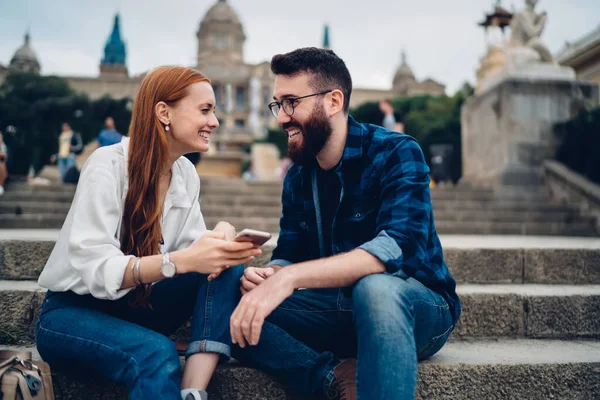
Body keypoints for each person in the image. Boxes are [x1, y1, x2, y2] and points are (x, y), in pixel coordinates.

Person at [229, 48, 461, 400]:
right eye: (278, 104)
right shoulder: (297, 177)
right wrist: (271, 274)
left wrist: (291, 278)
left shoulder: (397, 151)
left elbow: (393, 250)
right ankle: (331, 378)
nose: (281, 118)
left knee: (376, 287)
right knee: (234, 302)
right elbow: (290, 252)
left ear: (334, 101)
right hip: (336, 308)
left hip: (414, 306)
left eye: (291, 102)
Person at [35, 66, 262, 400]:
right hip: (72, 314)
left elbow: (194, 252)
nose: (215, 121)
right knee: (156, 353)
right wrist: (174, 262)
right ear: (163, 112)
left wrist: (225, 242)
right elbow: (97, 265)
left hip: (137, 306)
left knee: (225, 266)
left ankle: (192, 392)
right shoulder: (107, 165)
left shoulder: (186, 173)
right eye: (205, 110)